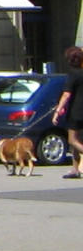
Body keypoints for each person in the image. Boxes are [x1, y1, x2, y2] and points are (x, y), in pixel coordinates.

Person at [50, 45, 83, 179]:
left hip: (76, 112)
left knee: (72, 140)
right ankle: (75, 169)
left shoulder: (73, 74)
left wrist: (57, 110)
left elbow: (66, 94)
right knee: (77, 142)